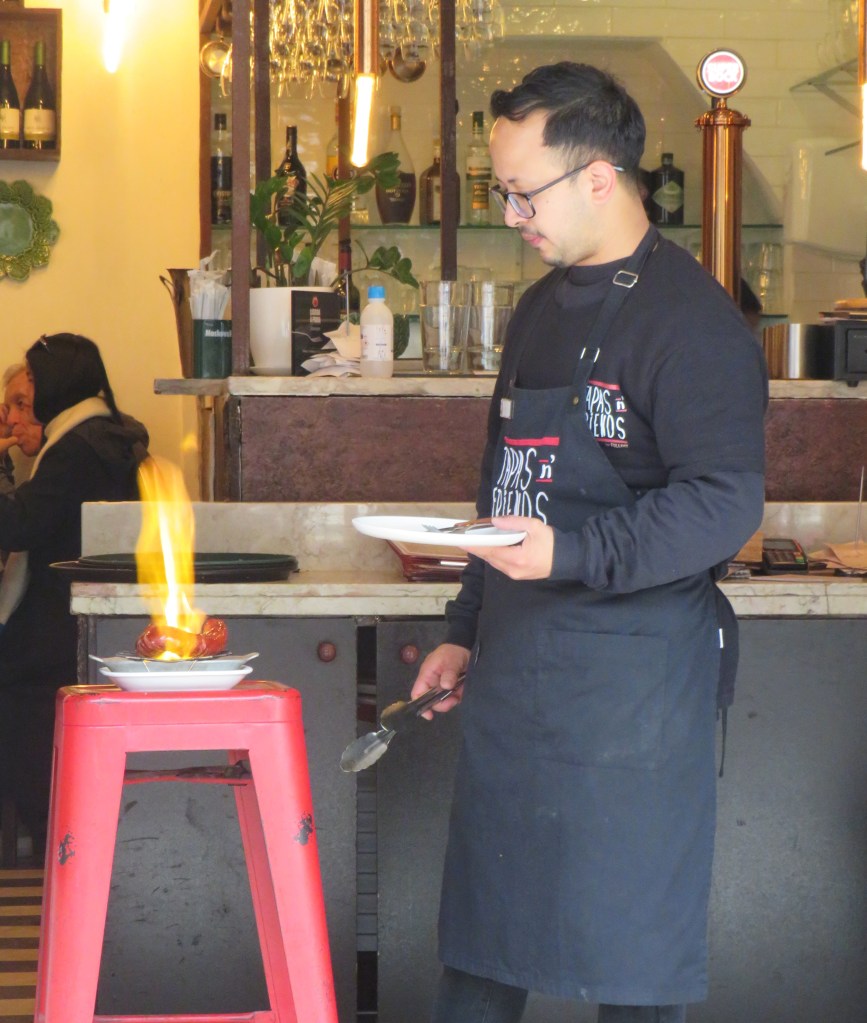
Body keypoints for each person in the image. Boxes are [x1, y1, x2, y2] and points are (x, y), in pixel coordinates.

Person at [410, 63, 768, 1023]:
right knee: (481, 956)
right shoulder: (536, 310)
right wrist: (463, 628)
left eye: (523, 193)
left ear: (600, 177)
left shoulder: (692, 324)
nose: (511, 213)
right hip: (517, 675)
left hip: (633, 703)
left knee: (630, 970)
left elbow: (723, 501)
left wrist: (569, 554)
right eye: (503, 192)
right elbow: (505, 489)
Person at [0, 334, 149, 860]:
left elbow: (20, 524)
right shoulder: (105, 434)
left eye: (36, 381)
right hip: (83, 618)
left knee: (32, 747)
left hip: (56, 629)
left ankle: (55, 863)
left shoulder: (76, 448)